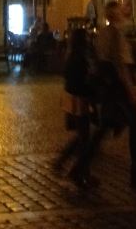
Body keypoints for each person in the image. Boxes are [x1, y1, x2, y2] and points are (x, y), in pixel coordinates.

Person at [95, 0, 136, 190]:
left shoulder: (103, 33)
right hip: (120, 87)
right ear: (115, 15)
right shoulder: (116, 34)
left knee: (106, 126)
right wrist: (130, 90)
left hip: (111, 86)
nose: (124, 12)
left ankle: (81, 163)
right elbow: (120, 65)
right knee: (135, 128)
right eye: (120, 10)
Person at [53, 28, 101, 188]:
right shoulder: (79, 58)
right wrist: (92, 94)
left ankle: (67, 163)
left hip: (73, 98)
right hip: (80, 99)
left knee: (83, 136)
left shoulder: (72, 55)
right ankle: (80, 173)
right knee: (84, 138)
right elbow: (82, 81)